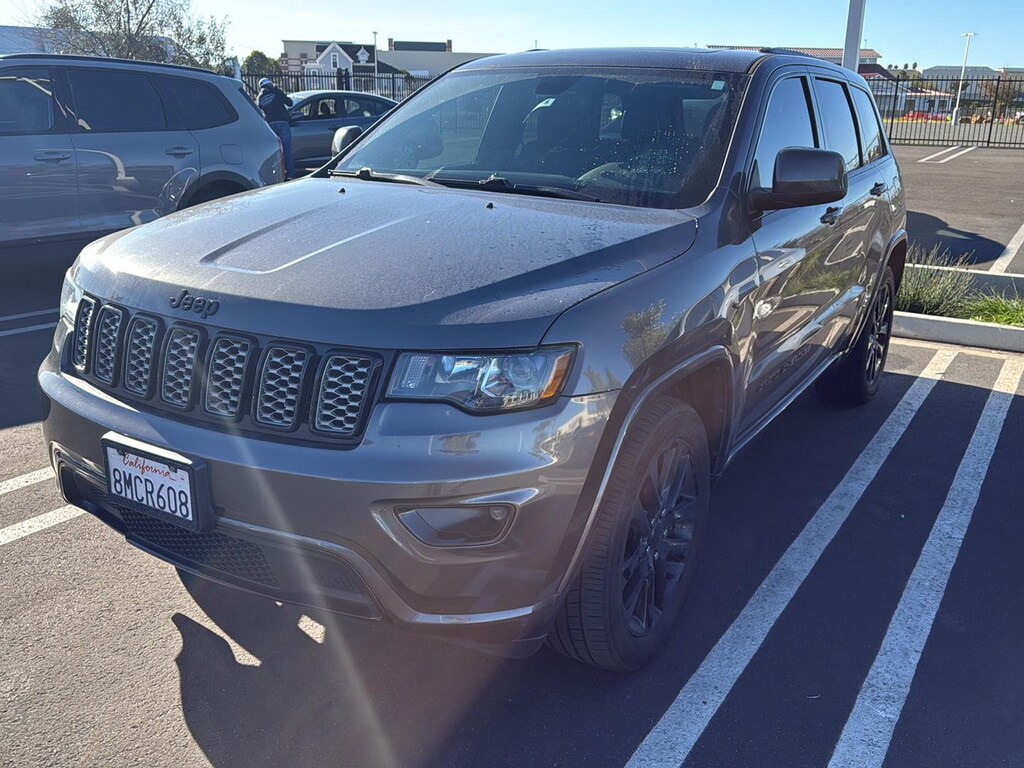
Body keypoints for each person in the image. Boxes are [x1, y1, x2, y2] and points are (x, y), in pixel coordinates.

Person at [257, 78, 296, 179]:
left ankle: (277, 176)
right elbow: (290, 103)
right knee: (287, 149)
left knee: (274, 151)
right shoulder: (276, 91)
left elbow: (258, 112)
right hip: (282, 122)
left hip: (270, 125)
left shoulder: (260, 97)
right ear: (270, 84)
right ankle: (290, 174)